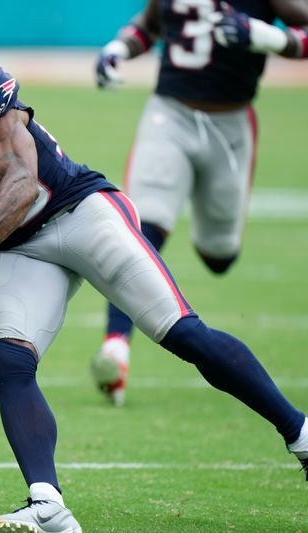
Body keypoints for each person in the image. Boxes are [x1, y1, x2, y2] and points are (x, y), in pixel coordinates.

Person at [0, 67, 308, 533]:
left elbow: (23, 183)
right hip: (16, 249)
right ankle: (47, 504)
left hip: (80, 210)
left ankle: (300, 434)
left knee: (182, 332)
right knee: (8, 358)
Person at [91, 0, 308, 405]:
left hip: (231, 126)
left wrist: (269, 37)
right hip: (169, 117)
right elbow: (150, 24)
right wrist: (119, 48)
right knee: (141, 227)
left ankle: (197, 207)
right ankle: (115, 345)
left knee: (219, 254)